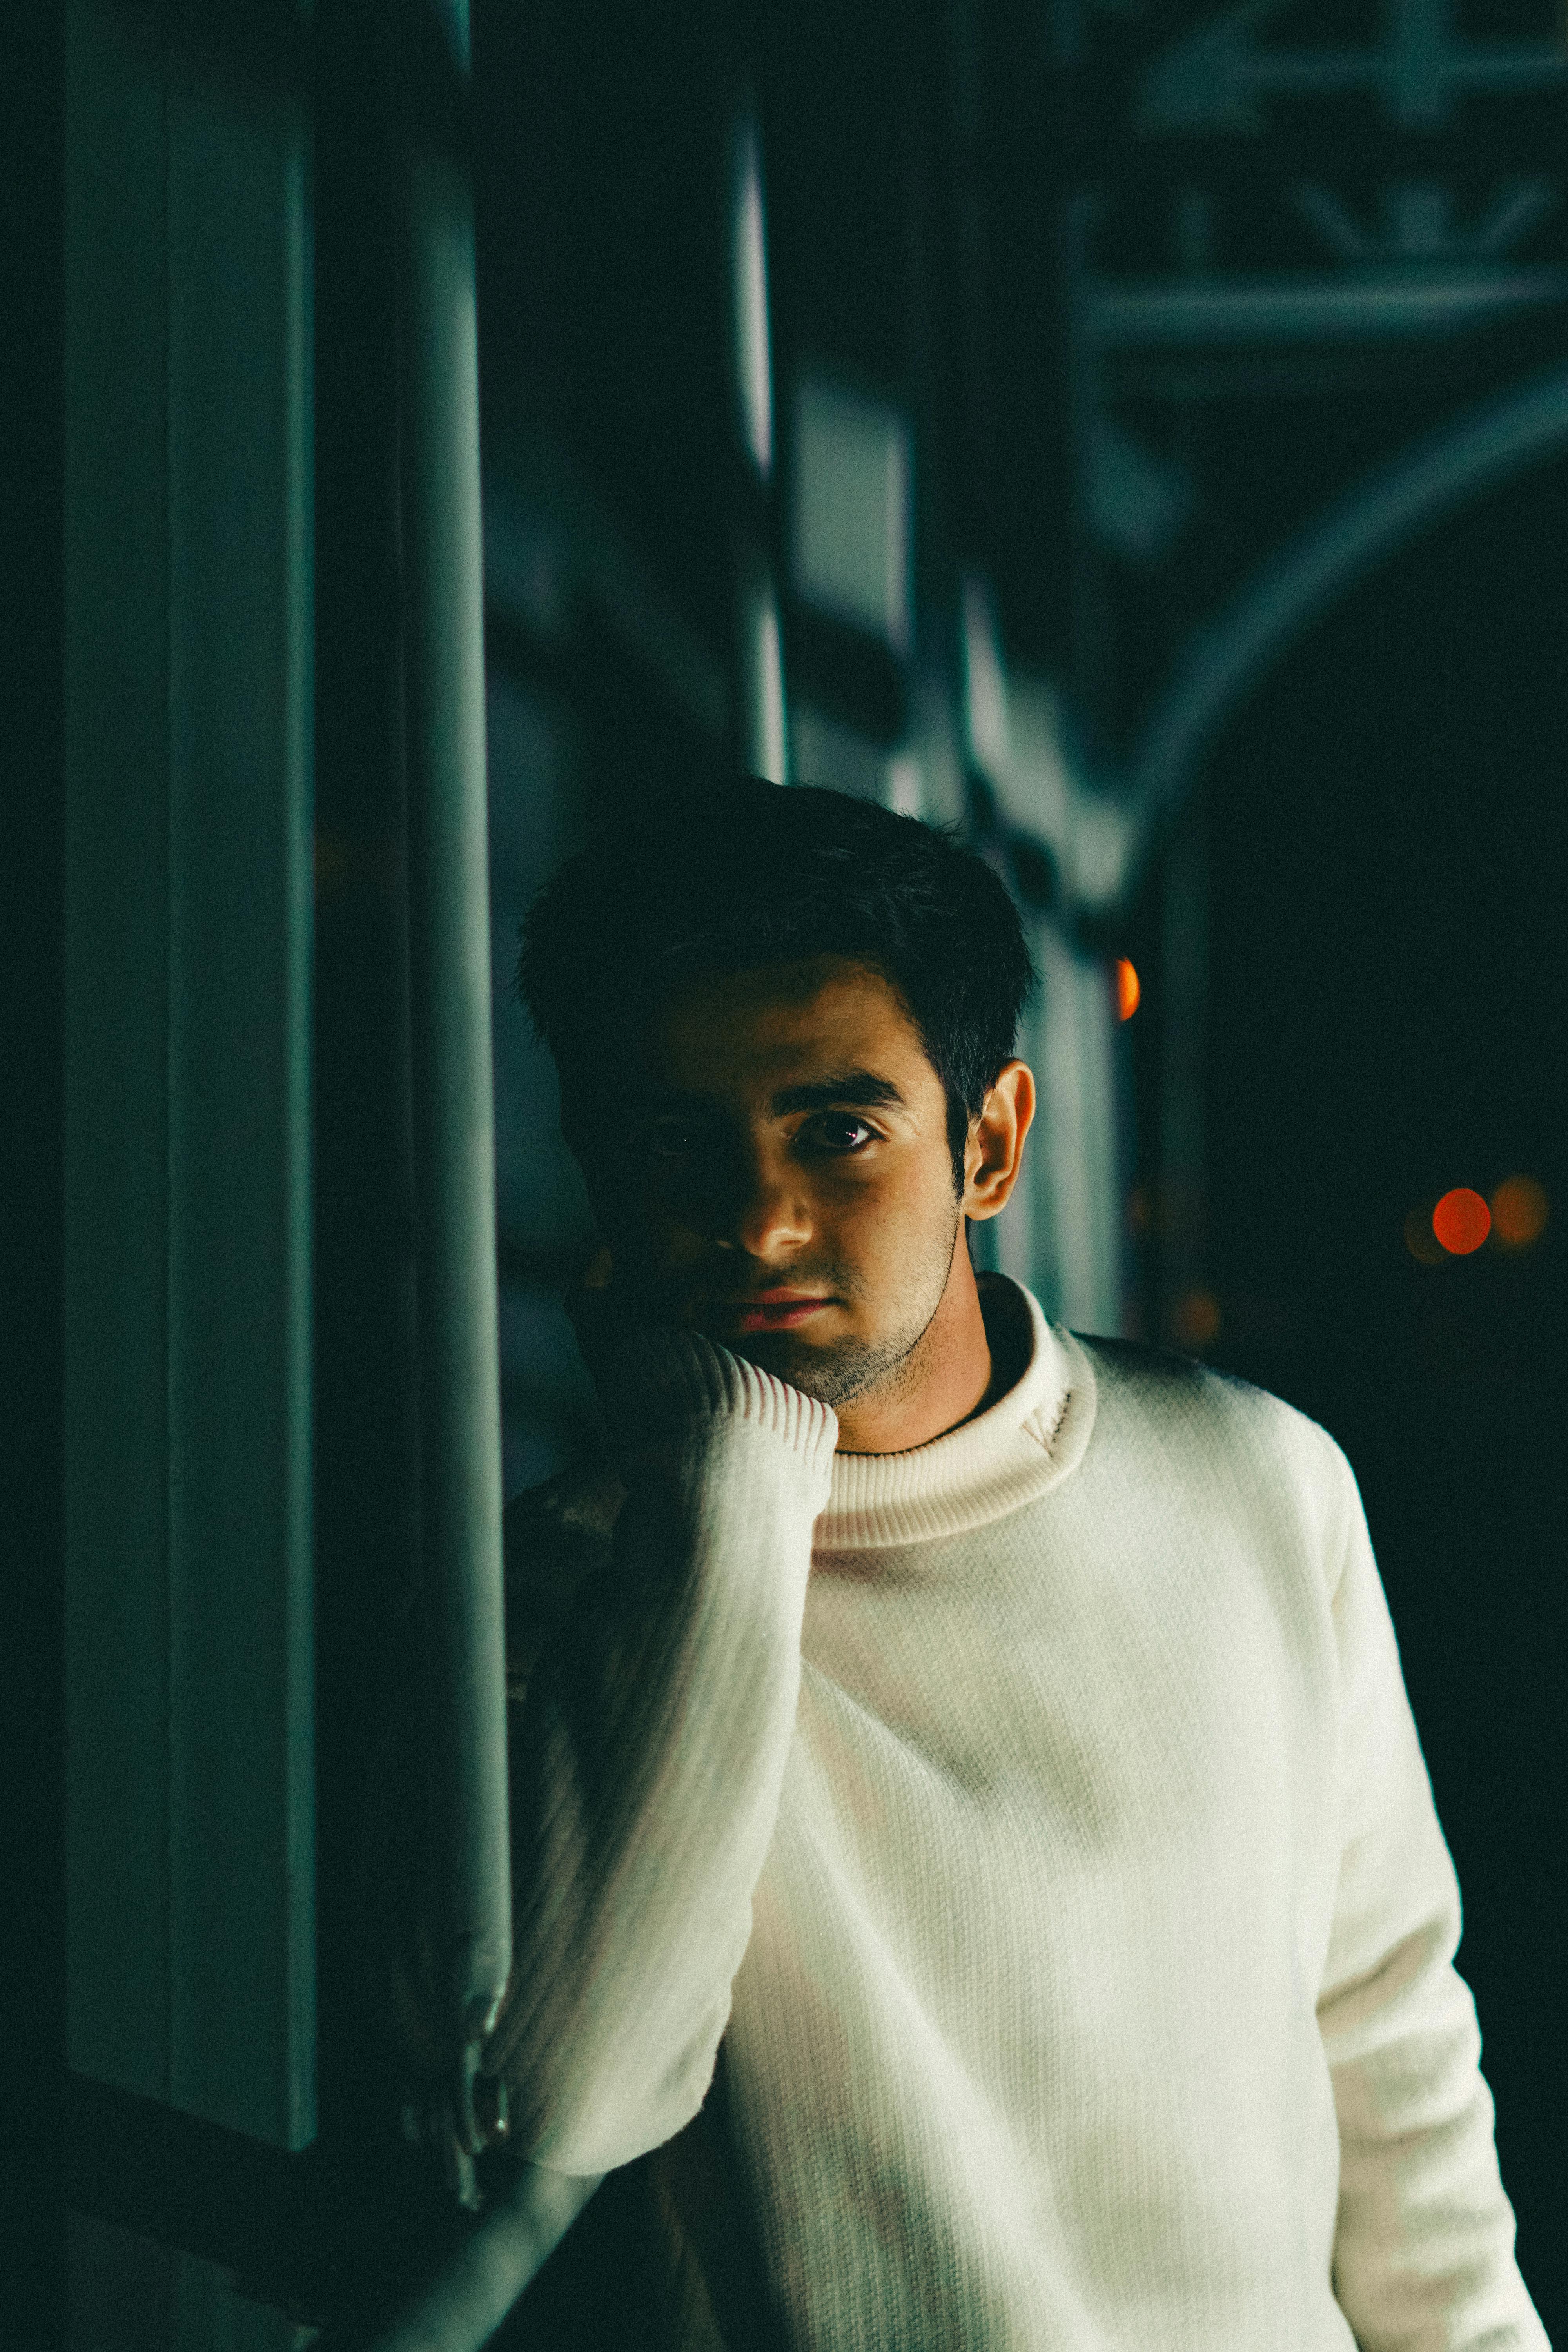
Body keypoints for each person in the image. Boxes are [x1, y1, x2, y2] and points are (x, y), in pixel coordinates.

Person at [426, 774, 1548, 2347]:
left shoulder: (1254, 1481)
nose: (755, 1220)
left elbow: (1392, 2042)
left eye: (836, 1130)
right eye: (673, 1144)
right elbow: (569, 2102)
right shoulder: (582, 1592)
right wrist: (737, 1482)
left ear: (991, 1143)